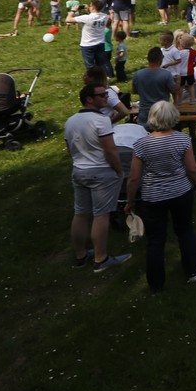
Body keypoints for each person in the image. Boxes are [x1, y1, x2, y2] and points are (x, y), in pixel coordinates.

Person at [125, 100, 196, 292]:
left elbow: (134, 177)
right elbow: (192, 168)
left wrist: (130, 201)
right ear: (173, 117)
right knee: (185, 230)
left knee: (155, 239)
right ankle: (193, 270)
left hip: (152, 196)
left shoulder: (141, 144)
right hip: (181, 192)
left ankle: (156, 284)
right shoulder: (183, 140)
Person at [64, 83, 131, 271]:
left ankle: (80, 255)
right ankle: (101, 258)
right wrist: (119, 170)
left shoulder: (70, 121)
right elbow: (110, 150)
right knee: (101, 215)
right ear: (89, 99)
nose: (106, 98)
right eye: (101, 95)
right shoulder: (101, 120)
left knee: (80, 213)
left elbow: (69, 150)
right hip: (101, 172)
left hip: (79, 170)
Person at [131, 47, 176, 127]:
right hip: (162, 112)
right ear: (160, 59)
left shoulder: (138, 74)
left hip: (145, 112)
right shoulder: (166, 74)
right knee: (162, 131)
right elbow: (174, 91)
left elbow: (134, 91)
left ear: (148, 59)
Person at [68, 0, 113, 76]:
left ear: (93, 7)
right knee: (101, 63)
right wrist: (89, 9)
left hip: (87, 45)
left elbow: (68, 19)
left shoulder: (86, 18)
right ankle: (104, 78)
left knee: (90, 65)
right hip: (100, 43)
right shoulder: (105, 16)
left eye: (90, 5)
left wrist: (73, 10)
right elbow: (106, 20)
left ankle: (93, 79)